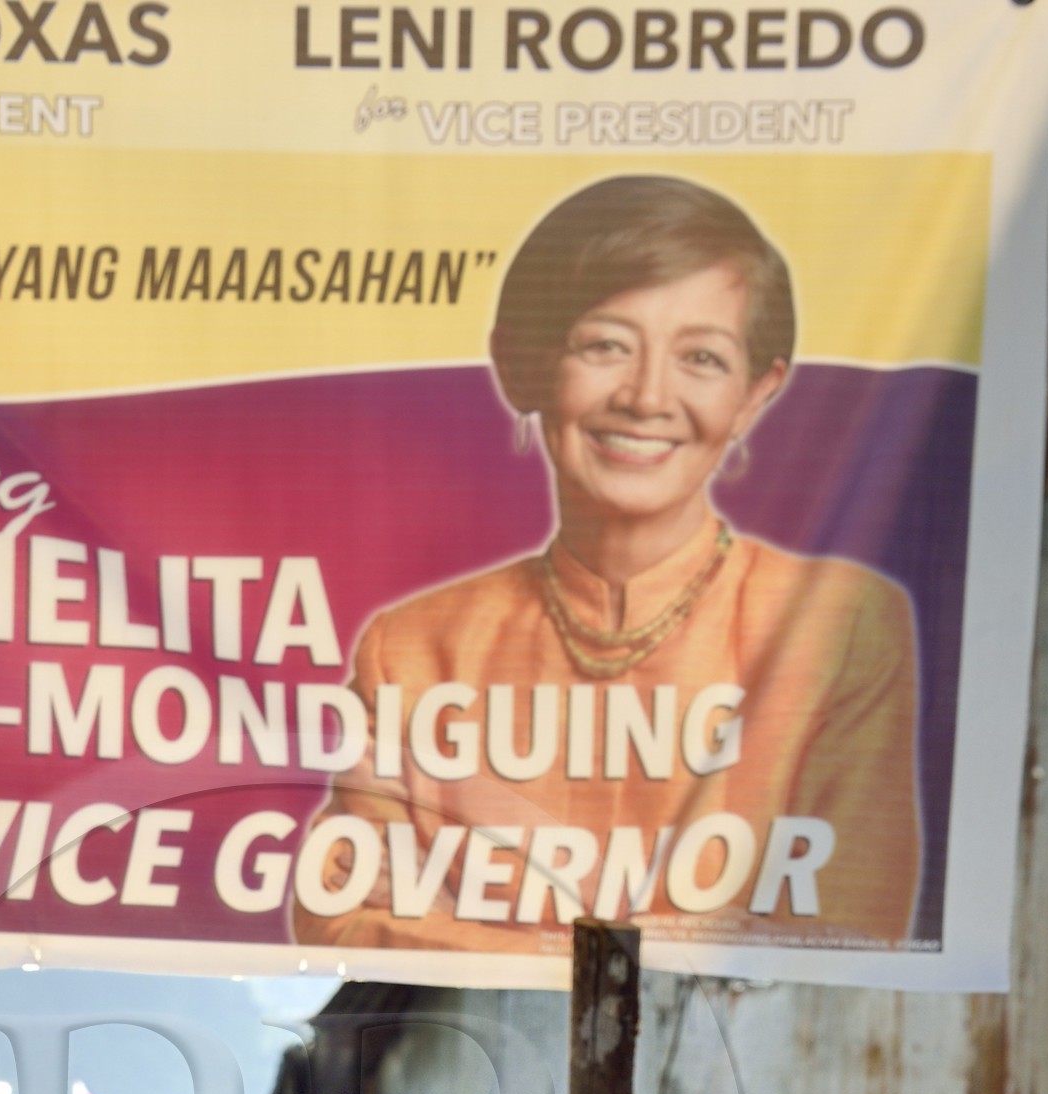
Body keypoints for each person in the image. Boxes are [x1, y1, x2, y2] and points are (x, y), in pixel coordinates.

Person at [294, 175, 921, 955]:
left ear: (757, 395)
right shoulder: (412, 647)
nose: (648, 396)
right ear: (526, 365)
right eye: (605, 346)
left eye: (701, 357)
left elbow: (849, 928)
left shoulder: (841, 623)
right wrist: (646, 945)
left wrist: (505, 941)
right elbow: (339, 914)